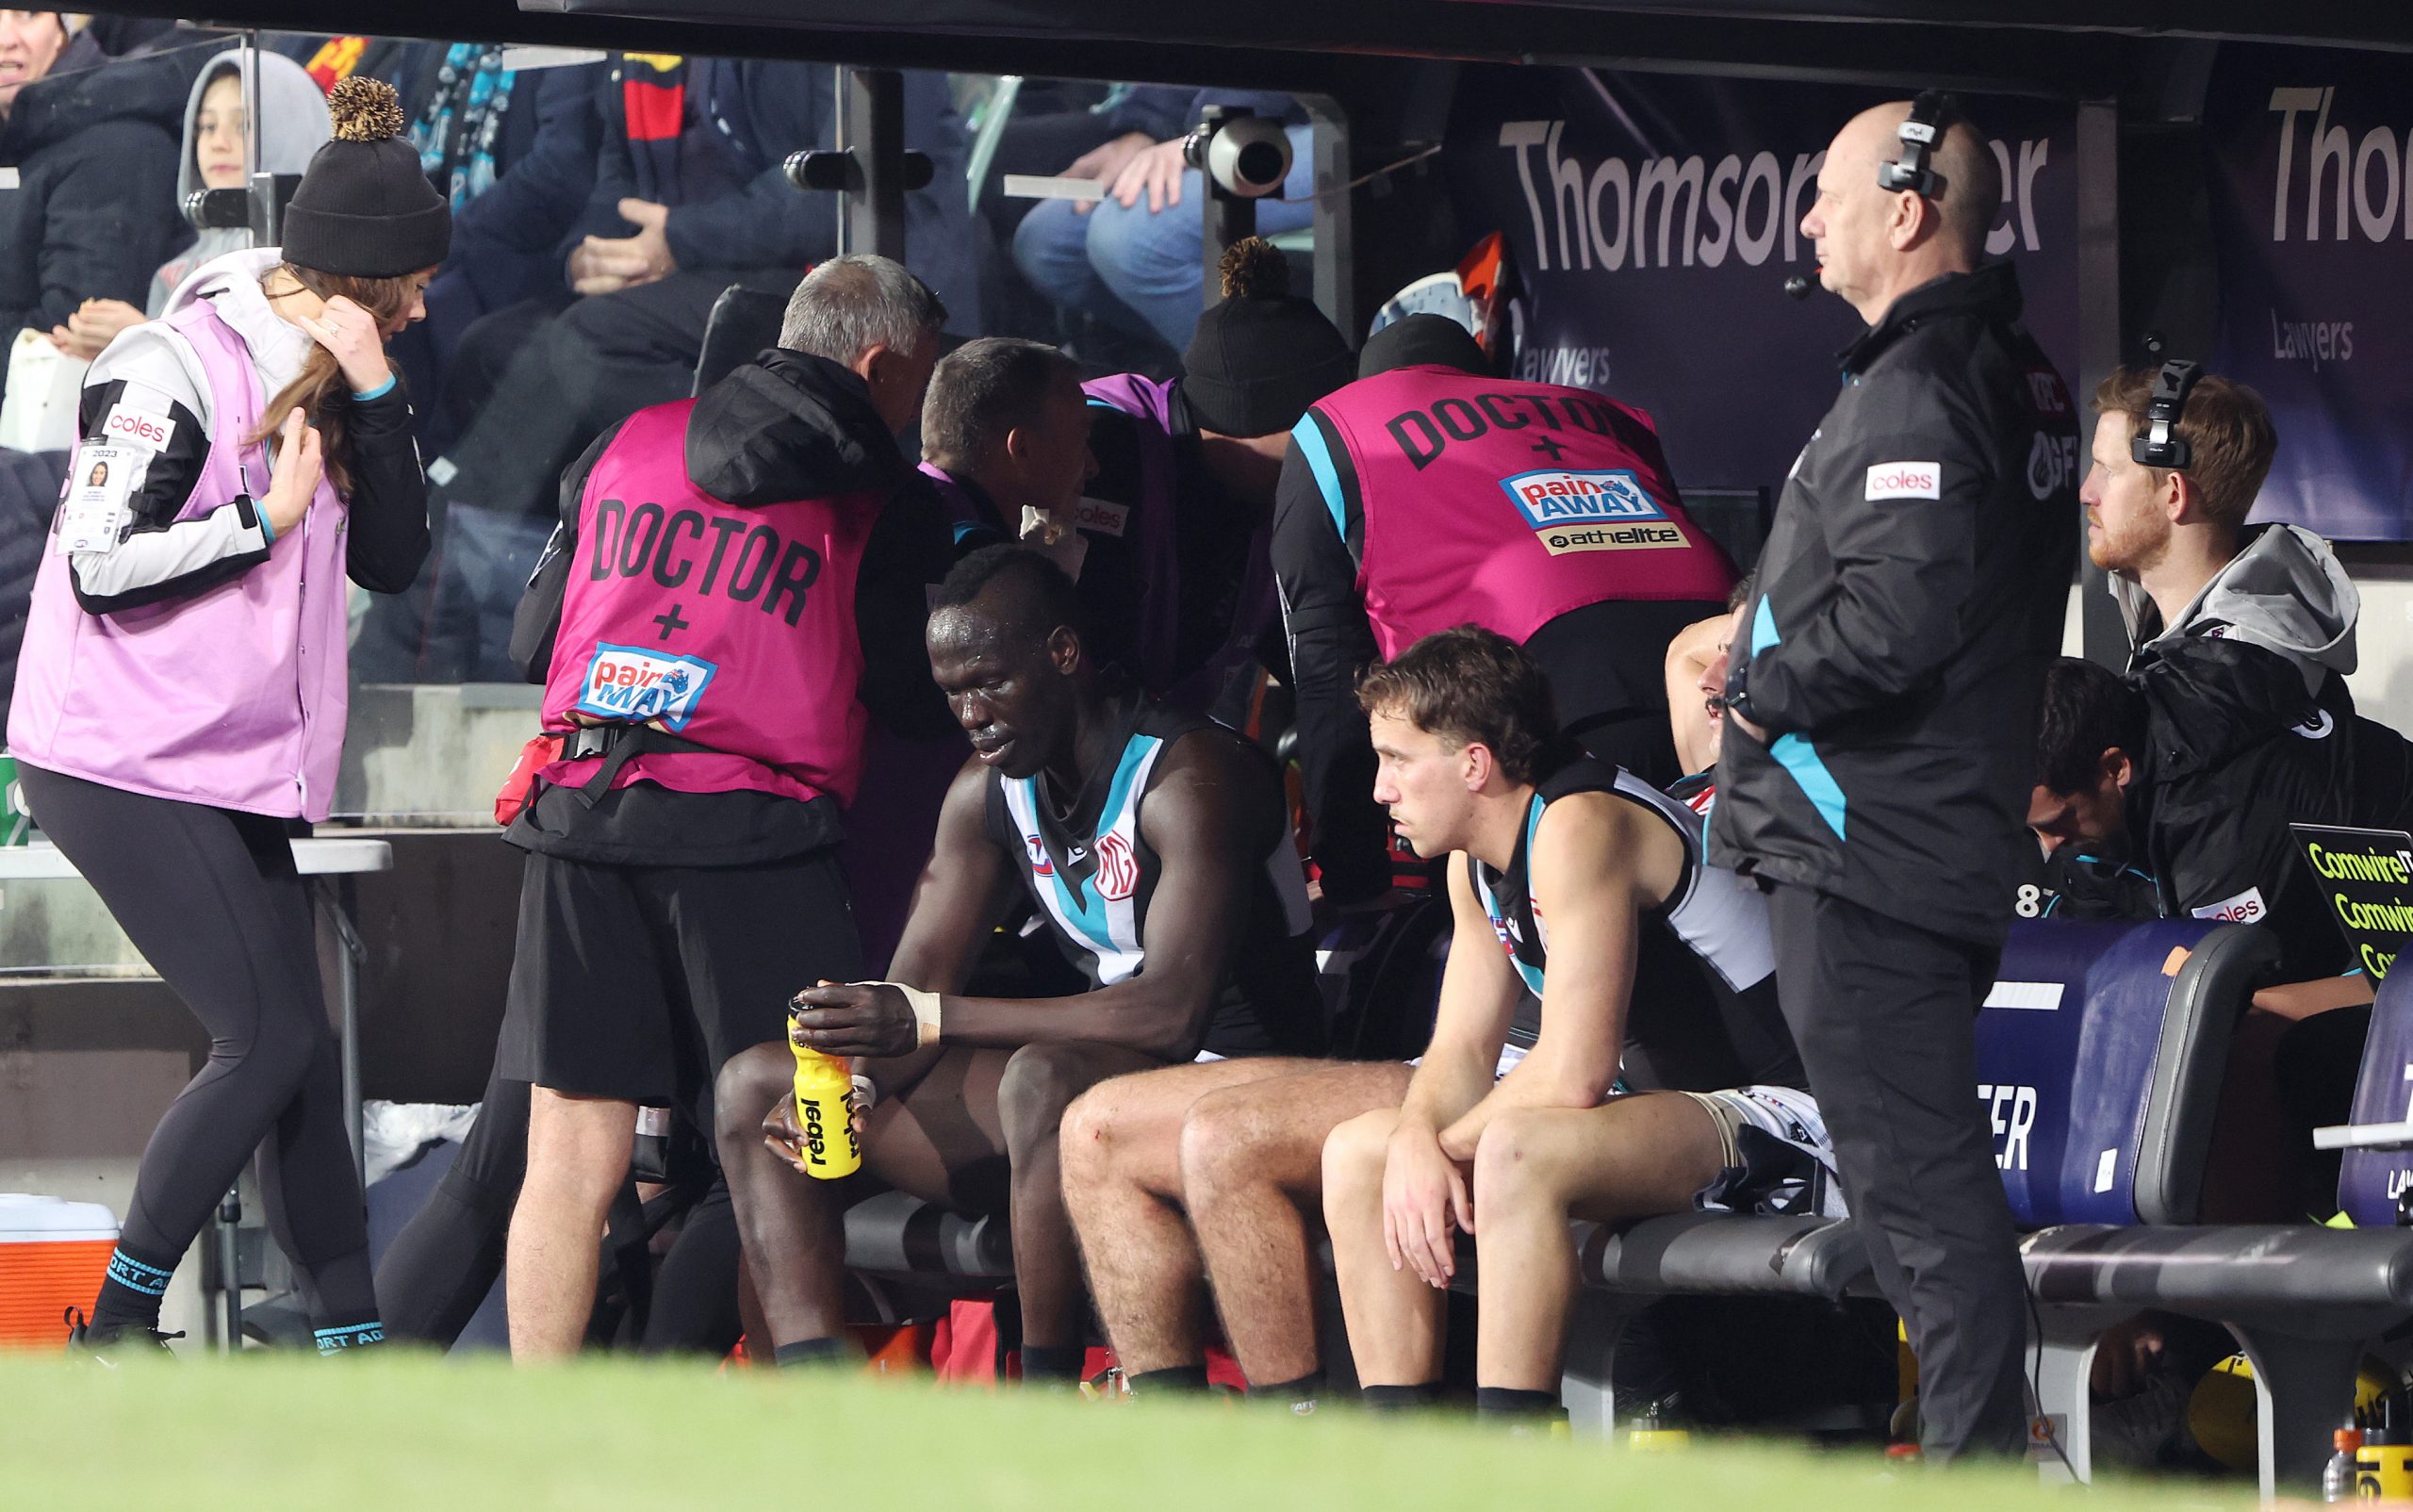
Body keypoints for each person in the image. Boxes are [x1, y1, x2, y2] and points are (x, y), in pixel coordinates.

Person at [1059, 626, 1810, 1415]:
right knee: (1365, 1152)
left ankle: (1505, 1448)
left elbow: (1573, 1069)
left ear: (1474, 764)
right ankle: (1401, 1456)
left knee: (1513, 1150)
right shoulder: (1470, 857)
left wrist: (1440, 1147)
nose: (1378, 789)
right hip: (1639, 1110)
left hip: (1763, 1110)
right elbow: (1456, 1049)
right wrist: (1420, 1138)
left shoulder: (1581, 821)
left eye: (1397, 761)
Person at [8, 75, 445, 1353]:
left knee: (294, 1054)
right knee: (265, 1038)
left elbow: (397, 563)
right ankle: (119, 1323)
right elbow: (96, 559)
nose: (424, 308)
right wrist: (262, 522)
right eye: (410, 286)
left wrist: (379, 396)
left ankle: (349, 1343)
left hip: (240, 766)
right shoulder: (173, 360)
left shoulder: (340, 374)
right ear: (364, 279)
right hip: (117, 758)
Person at [487, 254, 956, 1361]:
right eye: (918, 383)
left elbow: (527, 640)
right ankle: (781, 1448)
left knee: (567, 1146)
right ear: (882, 364)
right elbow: (906, 693)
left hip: (583, 804)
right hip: (754, 833)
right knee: (788, 1133)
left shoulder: (628, 437)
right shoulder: (883, 498)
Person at [1708, 95, 2076, 1461]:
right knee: (1914, 1201)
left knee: (1924, 1206)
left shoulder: (1928, 382)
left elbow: (1901, 621)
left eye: (1827, 194)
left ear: (1909, 210)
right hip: (1916, 844)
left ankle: (1978, 1469)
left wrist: (1751, 682)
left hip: (1876, 856)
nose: (1807, 220)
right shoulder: (1989, 366)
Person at [741, 545, 1326, 1381]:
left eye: (989, 682)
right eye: (953, 695)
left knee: (1045, 1080)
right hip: (1098, 1092)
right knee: (758, 1085)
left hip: (1240, 1086)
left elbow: (1169, 1013)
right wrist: (856, 1076)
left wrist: (928, 1019)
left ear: (1061, 654)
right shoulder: (990, 789)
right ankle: (810, 1406)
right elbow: (920, 979)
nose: (972, 715)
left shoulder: (1193, 775)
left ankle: (1042, 1392)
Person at [1275, 311, 1738, 906]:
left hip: (1554, 694)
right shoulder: (1605, 411)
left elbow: (1327, 668)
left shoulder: (1338, 425)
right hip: (1717, 666)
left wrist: (1350, 874)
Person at [2080, 365, 2378, 997]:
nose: (2086, 491)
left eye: (2108, 472)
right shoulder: (2183, 644)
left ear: (2174, 496)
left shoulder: (2232, 686)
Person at [1080, 237, 1353, 711]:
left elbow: (1314, 662)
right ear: (1248, 426)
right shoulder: (1103, 453)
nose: (1341, 458)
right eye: (1324, 436)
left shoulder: (1268, 498)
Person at [48, 46, 331, 362]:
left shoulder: (309, 273)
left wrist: (145, 336)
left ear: (292, 132)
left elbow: (275, 384)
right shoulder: (174, 272)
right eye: (207, 126)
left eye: (244, 126)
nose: (218, 142)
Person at [1013, 89, 1314, 358]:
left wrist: (1209, 132)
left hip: (1324, 109)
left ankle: (1256, 391)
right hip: (1218, 109)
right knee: (1048, 241)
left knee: (1132, 239)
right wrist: (1144, 128)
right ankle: (1191, 359)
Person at [0, 13, 189, 367]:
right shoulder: (20, 137)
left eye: (28, 14)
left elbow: (66, 336)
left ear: (63, 31)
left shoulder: (118, 146)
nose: (5, 37)